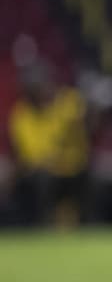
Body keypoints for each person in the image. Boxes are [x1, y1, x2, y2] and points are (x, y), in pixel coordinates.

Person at [6, 59, 91, 227]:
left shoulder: (67, 100)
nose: (43, 90)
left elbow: (83, 122)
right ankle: (43, 224)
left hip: (73, 167)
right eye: (36, 87)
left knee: (92, 177)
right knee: (43, 179)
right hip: (44, 171)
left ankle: (90, 224)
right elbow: (31, 156)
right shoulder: (22, 115)